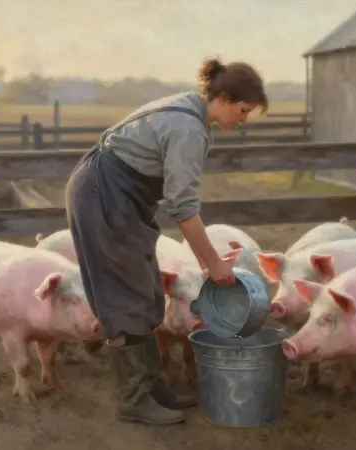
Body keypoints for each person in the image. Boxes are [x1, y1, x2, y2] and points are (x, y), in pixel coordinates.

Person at [64, 57, 269, 426]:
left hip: (119, 193)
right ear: (222, 97)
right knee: (125, 295)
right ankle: (133, 399)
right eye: (243, 110)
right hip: (104, 194)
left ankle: (153, 386)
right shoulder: (187, 127)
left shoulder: (192, 113)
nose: (244, 119)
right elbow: (183, 208)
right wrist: (213, 263)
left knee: (147, 290)